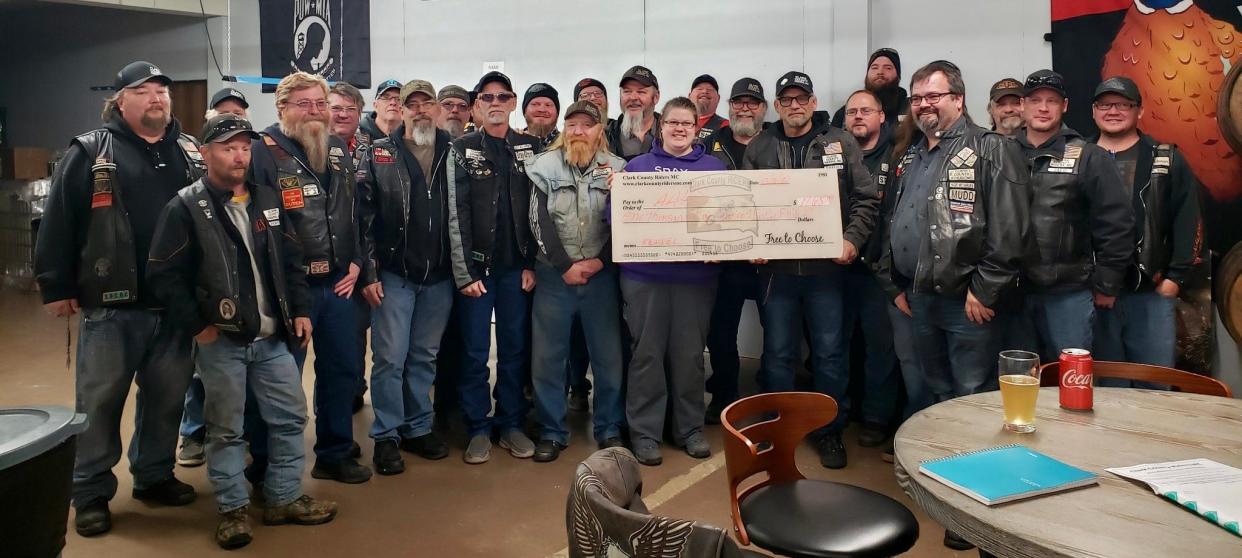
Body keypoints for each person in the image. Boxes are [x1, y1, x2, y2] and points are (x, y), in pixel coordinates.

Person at [146, 114, 337, 549]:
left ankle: (284, 497)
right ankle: (232, 510)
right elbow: (163, 275)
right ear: (208, 153)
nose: (239, 156)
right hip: (223, 343)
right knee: (226, 429)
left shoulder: (266, 199)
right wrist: (198, 325)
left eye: (245, 148)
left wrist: (300, 310)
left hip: (272, 339)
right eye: (229, 147)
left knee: (290, 419)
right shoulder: (186, 207)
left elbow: (291, 260)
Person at [36, 61, 203, 537]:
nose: (157, 98)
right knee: (100, 403)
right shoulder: (90, 150)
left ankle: (153, 476)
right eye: (144, 90)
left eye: (162, 91)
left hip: (175, 306)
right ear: (120, 100)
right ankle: (89, 492)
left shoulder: (189, 151)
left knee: (168, 400)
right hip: (111, 306)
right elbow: (59, 219)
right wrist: (56, 285)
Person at [741, 71, 879, 469]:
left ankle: (828, 430)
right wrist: (752, 244)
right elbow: (746, 207)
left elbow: (866, 199)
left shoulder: (840, 141)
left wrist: (852, 239)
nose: (795, 105)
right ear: (778, 106)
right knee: (778, 354)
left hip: (827, 275)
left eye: (802, 98)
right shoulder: (761, 146)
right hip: (776, 276)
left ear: (814, 103)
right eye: (787, 99)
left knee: (830, 354)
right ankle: (778, 428)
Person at [876, 60, 1030, 402]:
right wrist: (894, 283)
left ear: (958, 99)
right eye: (916, 99)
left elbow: (1011, 228)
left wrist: (985, 289)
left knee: (971, 393)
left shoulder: (991, 148)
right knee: (934, 389)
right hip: (918, 296)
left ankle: (972, 457)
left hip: (966, 301)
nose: (923, 104)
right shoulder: (911, 154)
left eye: (933, 95)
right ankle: (940, 455)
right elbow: (896, 219)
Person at [249, 71, 370, 484]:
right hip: (287, 291)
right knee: (280, 380)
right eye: (304, 104)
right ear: (282, 108)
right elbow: (255, 226)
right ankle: (266, 462)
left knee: (341, 372)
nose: (315, 112)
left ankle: (334, 453)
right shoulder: (260, 152)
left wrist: (356, 262)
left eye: (320, 103)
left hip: (337, 285)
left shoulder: (336, 148)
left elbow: (352, 212)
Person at [615, 97, 725, 466]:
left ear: (697, 129)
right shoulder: (636, 169)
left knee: (690, 356)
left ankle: (690, 429)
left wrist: (722, 244)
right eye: (673, 123)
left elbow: (732, 219)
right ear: (661, 127)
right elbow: (614, 220)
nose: (679, 129)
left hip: (696, 279)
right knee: (646, 354)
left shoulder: (715, 170)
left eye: (687, 124)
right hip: (645, 277)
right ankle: (644, 433)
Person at [356, 80, 457, 474]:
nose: (418, 110)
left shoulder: (454, 151)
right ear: (400, 110)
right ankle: (386, 435)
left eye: (424, 103)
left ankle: (418, 427)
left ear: (435, 109)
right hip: (394, 274)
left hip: (440, 276)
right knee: (389, 359)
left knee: (423, 358)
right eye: (409, 103)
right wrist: (369, 272)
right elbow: (362, 216)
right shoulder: (380, 153)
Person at [446, 71, 541, 464]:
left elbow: (540, 210)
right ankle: (477, 427)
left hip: (517, 269)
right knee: (474, 351)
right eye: (488, 98)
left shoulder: (530, 147)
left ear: (513, 102)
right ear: (477, 105)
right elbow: (457, 213)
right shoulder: (461, 149)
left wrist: (532, 262)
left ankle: (511, 422)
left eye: (503, 97)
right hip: (479, 273)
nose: (496, 103)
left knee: (515, 349)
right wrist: (465, 272)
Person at [526, 100, 627, 462]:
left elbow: (626, 222)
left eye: (587, 125)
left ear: (601, 130)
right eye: (572, 125)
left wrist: (601, 262)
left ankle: (609, 428)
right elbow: (537, 222)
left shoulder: (619, 169)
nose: (579, 131)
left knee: (608, 357)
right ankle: (552, 431)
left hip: (601, 279)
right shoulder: (541, 167)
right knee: (548, 358)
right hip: (555, 276)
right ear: (564, 130)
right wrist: (565, 265)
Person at [1014, 69, 1133, 362]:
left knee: (1071, 381)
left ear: (1064, 106)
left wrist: (1107, 283)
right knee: (1017, 380)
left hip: (1068, 293)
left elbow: (1116, 224)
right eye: (1036, 100)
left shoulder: (1089, 156)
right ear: (1022, 105)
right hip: (1011, 294)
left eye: (1052, 101)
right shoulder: (1001, 152)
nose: (1043, 108)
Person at [1089, 76, 1204, 373]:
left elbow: (1188, 219)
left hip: (1150, 294)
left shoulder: (1166, 159)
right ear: (1093, 111)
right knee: (1105, 386)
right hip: (1091, 293)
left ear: (1139, 111)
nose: (1113, 111)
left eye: (1123, 104)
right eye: (1105, 104)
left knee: (1154, 384)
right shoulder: (1078, 157)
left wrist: (1175, 279)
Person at [180, 85, 253, 468]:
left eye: (239, 113)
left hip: (247, 296)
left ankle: (240, 439)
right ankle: (192, 435)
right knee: (199, 373)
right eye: (224, 112)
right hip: (208, 291)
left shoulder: (254, 171)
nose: (233, 117)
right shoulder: (195, 171)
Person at [839, 89, 902, 454]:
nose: (858, 117)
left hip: (879, 271)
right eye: (851, 112)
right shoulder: (832, 155)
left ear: (882, 116)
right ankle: (843, 412)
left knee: (881, 349)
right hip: (837, 269)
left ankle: (877, 418)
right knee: (837, 346)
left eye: (866, 111)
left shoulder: (899, 156)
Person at [702, 77, 766, 422]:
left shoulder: (776, 143)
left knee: (778, 333)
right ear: (729, 107)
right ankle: (723, 396)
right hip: (723, 261)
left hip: (767, 261)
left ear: (763, 109)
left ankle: (770, 397)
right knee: (721, 333)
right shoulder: (709, 144)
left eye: (752, 102)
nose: (745, 107)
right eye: (739, 102)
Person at [326, 81, 373, 415]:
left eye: (349, 109)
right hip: (324, 262)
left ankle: (355, 391)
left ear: (360, 114)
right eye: (335, 107)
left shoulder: (375, 148)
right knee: (332, 348)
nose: (342, 114)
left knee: (356, 333)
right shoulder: (308, 149)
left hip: (365, 256)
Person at [832, 48, 909, 128]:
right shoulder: (845, 114)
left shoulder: (911, 110)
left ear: (898, 76)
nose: (880, 72)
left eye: (888, 68)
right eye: (874, 67)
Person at [605, 65, 661, 160]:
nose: (633, 97)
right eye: (627, 91)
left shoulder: (674, 132)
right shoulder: (605, 136)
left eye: (641, 92)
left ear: (656, 97)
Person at [689, 74, 728, 140]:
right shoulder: (673, 122)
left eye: (710, 89)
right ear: (689, 96)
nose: (704, 91)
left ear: (718, 98)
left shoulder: (727, 126)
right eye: (699, 89)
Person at [522, 82, 560, 147]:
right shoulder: (509, 144)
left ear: (557, 113)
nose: (542, 109)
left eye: (548, 105)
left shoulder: (569, 145)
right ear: (524, 111)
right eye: (535, 104)